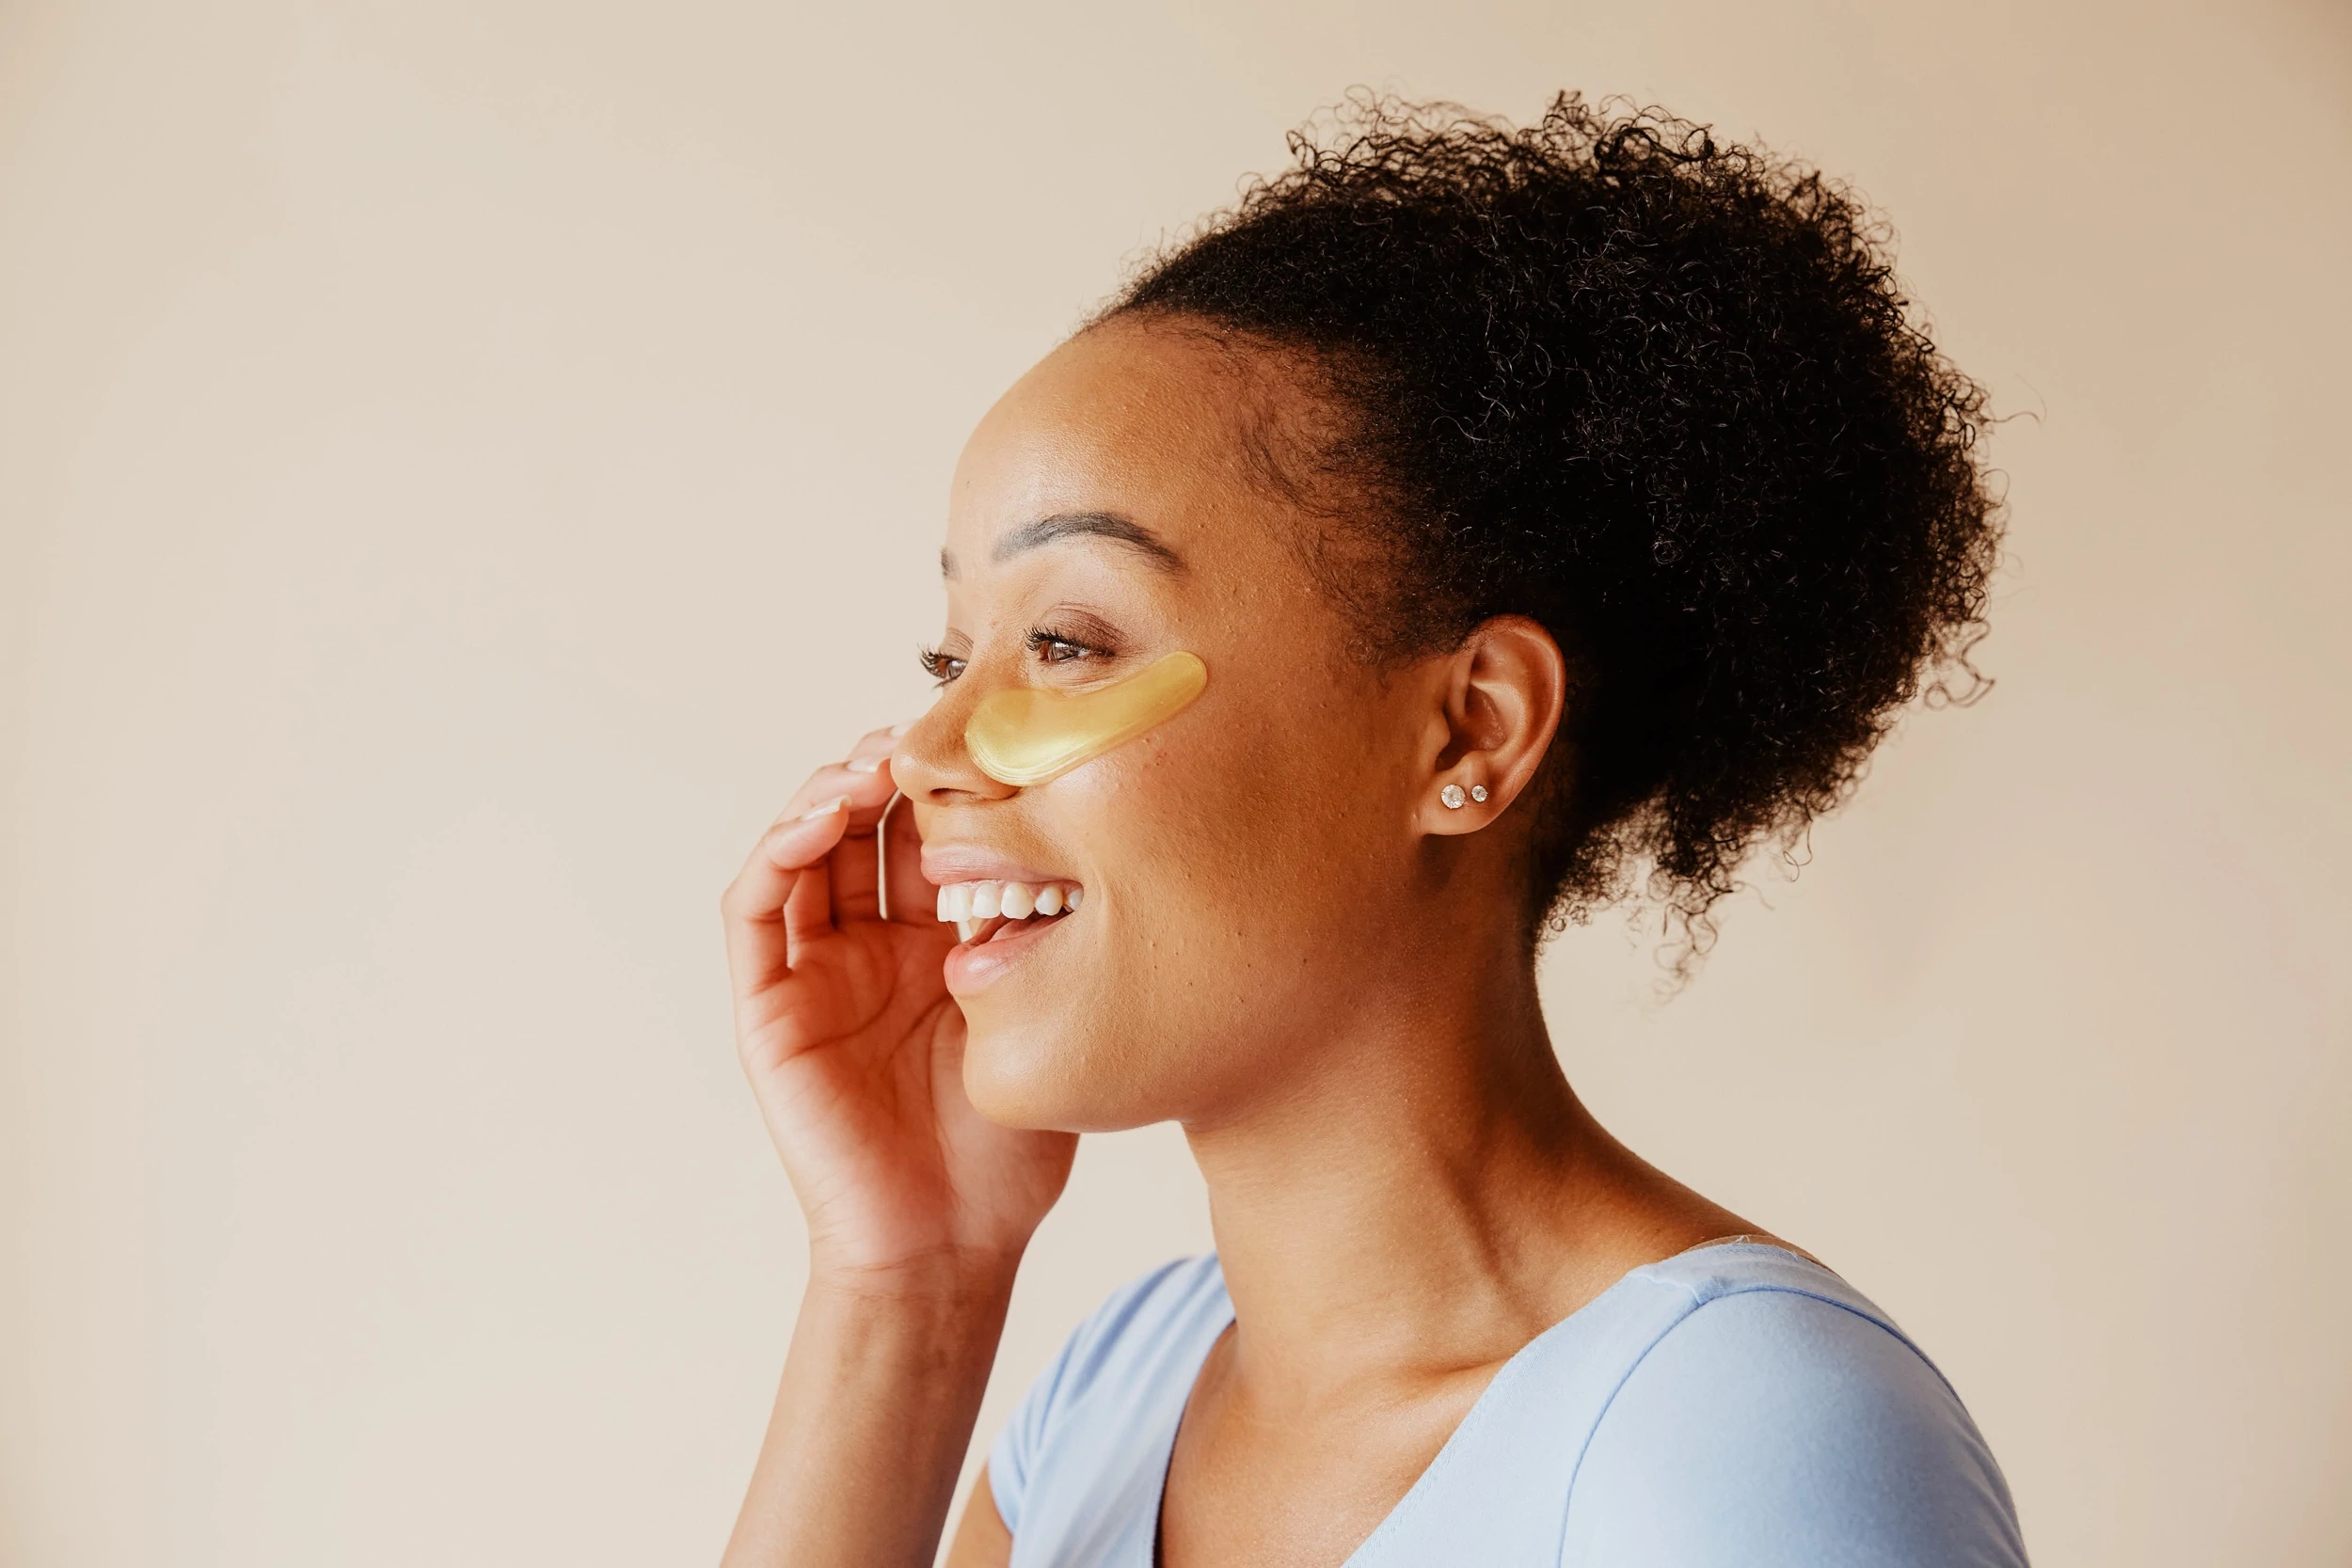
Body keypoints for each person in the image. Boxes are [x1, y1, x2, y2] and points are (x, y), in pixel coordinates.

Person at [717, 95, 2026, 1568]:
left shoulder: (1738, 1447)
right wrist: (909, 1289)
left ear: (1469, 730)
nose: (924, 753)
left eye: (1069, 641)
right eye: (950, 659)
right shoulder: (1107, 1402)